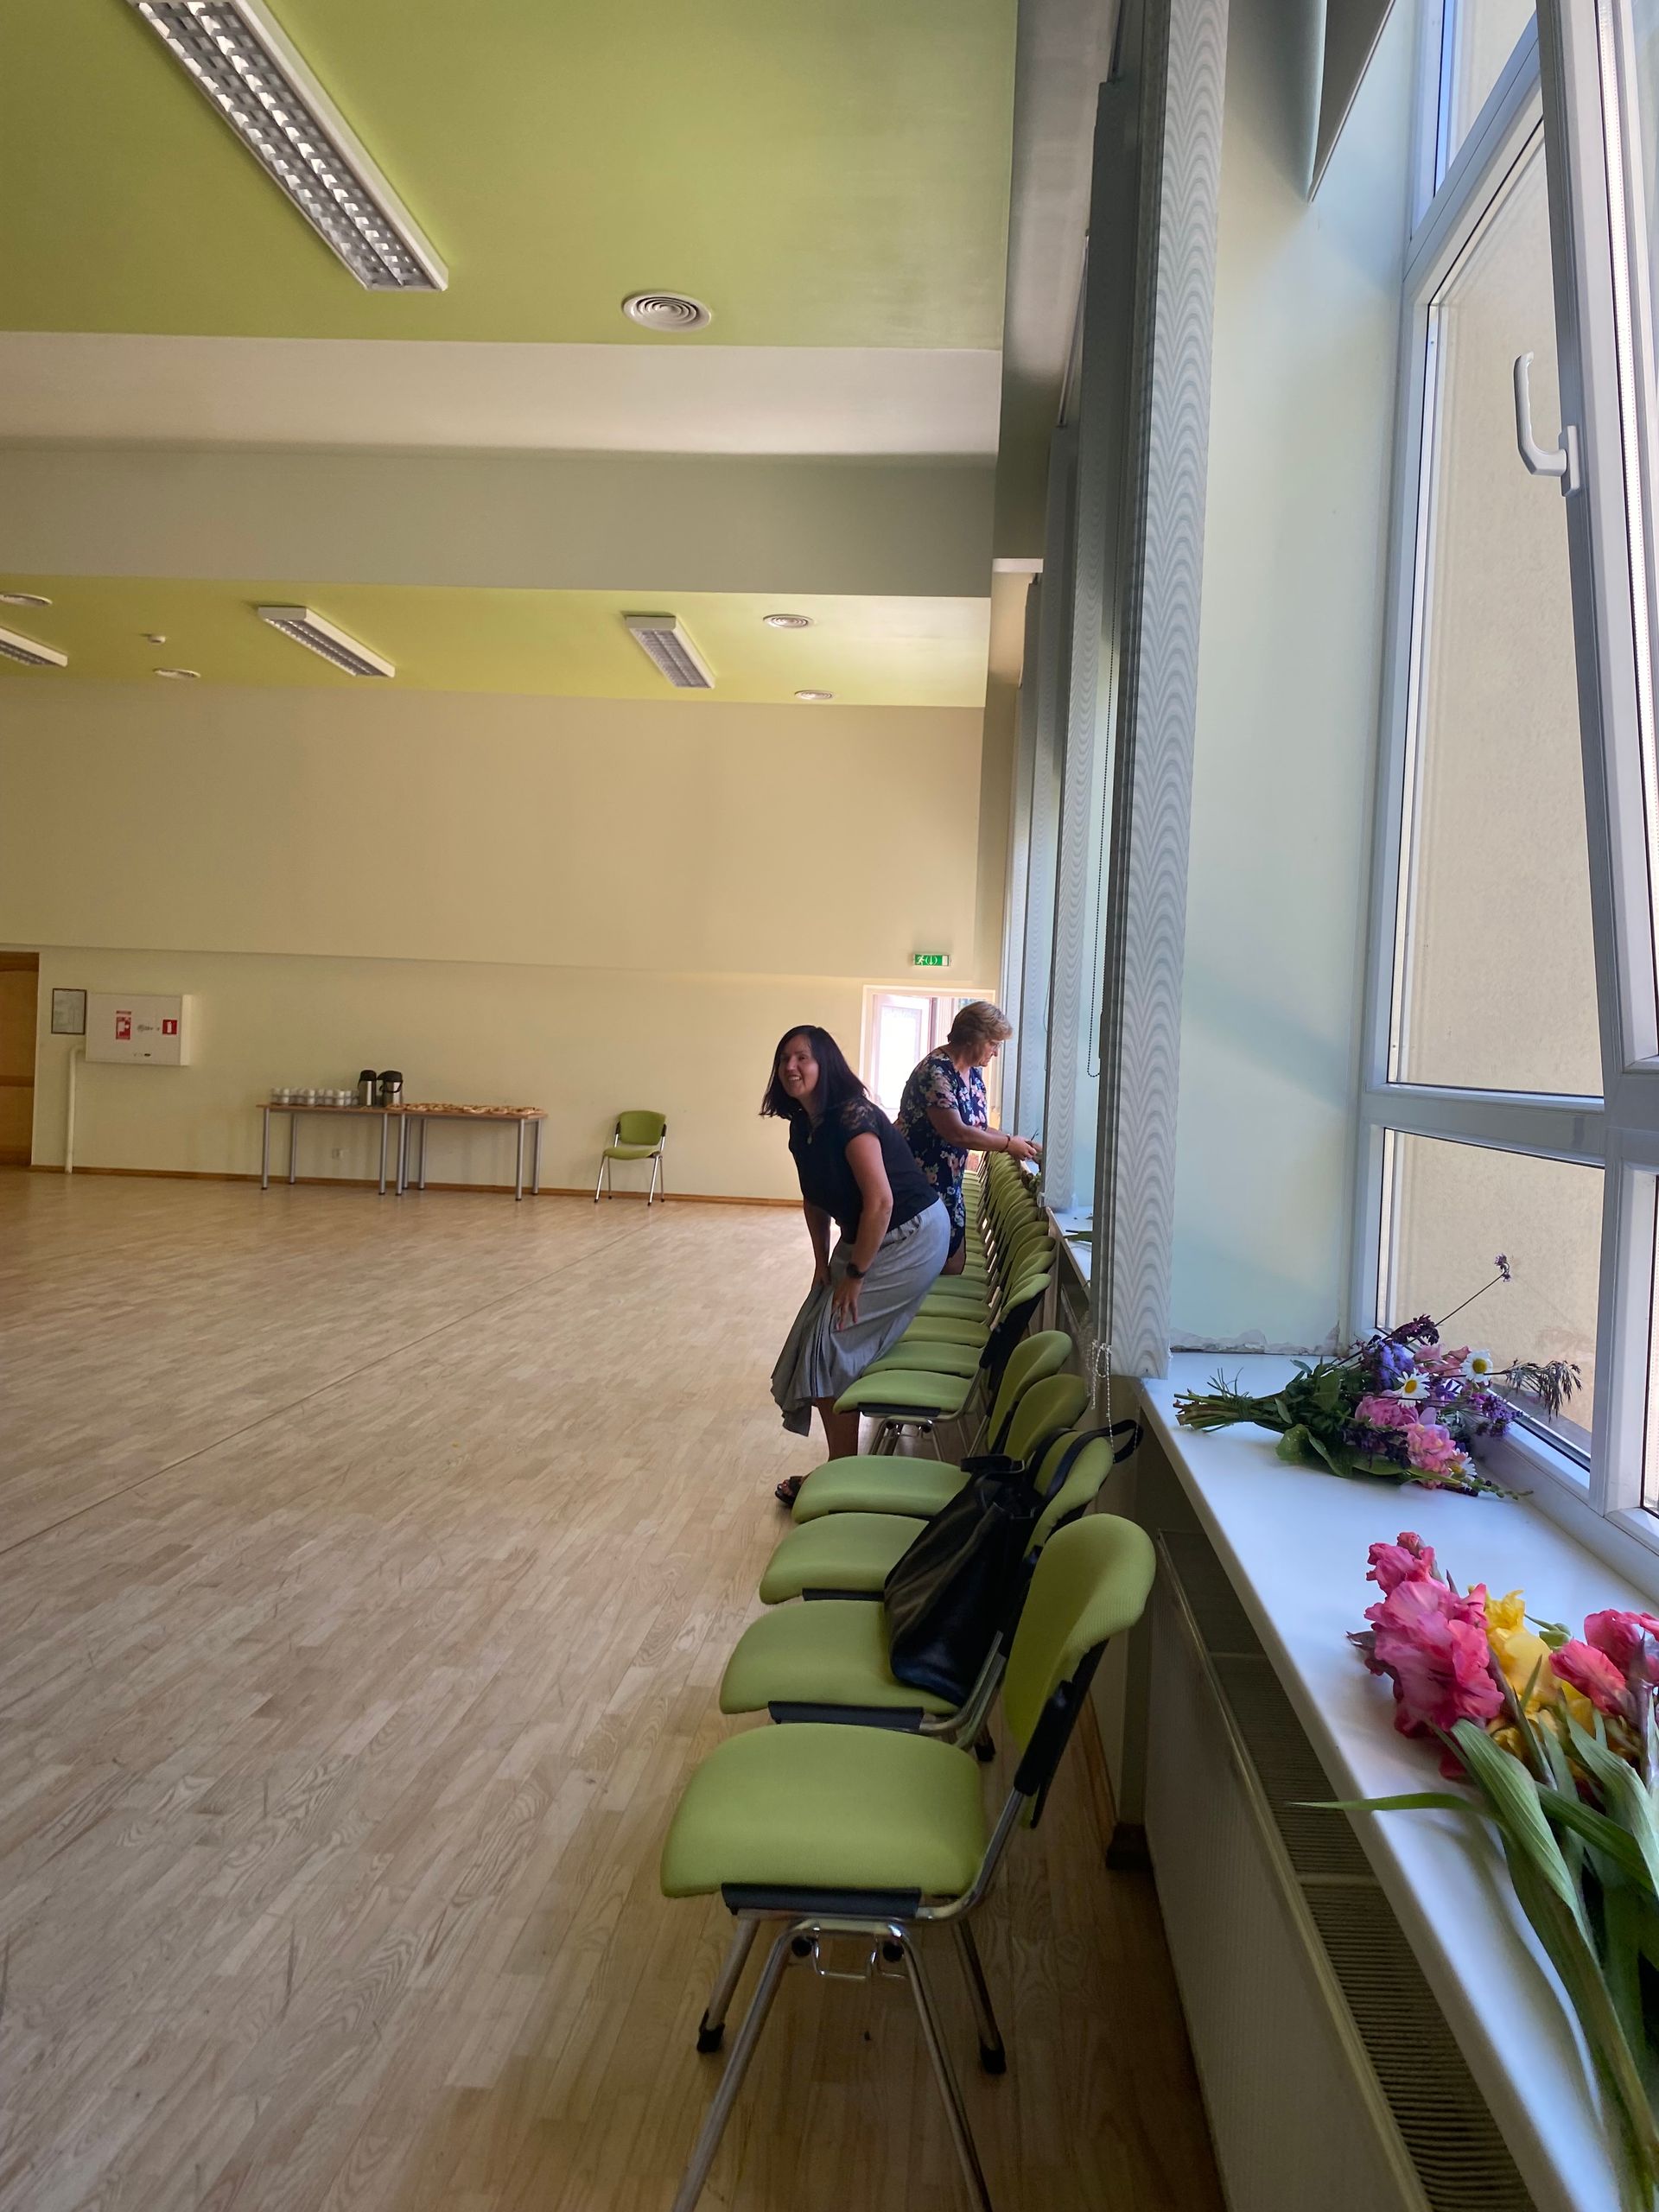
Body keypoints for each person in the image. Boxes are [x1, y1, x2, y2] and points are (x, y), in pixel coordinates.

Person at [763, 1024, 950, 1505]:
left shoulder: (852, 1115)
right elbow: (814, 1199)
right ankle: (842, 1466)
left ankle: (842, 1472)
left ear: (825, 1064)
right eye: (784, 1059)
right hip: (868, 1234)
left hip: (910, 1235)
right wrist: (821, 1262)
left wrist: (856, 1275)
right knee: (813, 1329)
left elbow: (881, 1202)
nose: (790, 1067)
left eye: (802, 1058)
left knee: (829, 1341)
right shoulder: (802, 1127)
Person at [895, 1001, 1040, 1274]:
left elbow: (977, 1127)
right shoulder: (936, 1071)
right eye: (993, 1044)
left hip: (948, 1184)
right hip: (919, 1186)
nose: (996, 1052)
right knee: (928, 1268)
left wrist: (1019, 1142)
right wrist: (1008, 1145)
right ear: (973, 1037)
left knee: (952, 1265)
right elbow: (957, 1132)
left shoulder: (973, 1074)